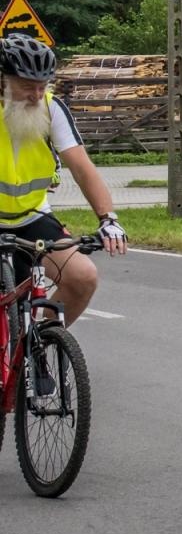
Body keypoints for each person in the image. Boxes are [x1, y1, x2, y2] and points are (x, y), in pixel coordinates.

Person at [0, 35, 128, 348]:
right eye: (27, 85)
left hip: (31, 217)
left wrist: (108, 218)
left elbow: (82, 167)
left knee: (82, 277)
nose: (37, 94)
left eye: (42, 85)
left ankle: (31, 347)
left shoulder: (50, 108)